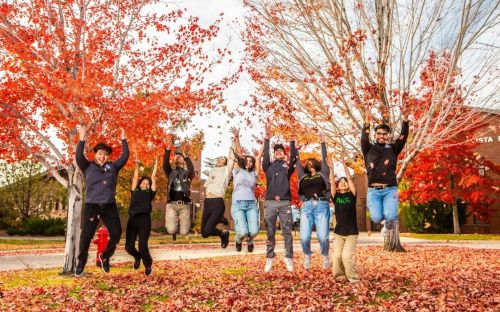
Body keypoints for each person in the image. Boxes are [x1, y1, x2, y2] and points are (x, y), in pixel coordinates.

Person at [75, 126, 129, 276]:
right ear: (95, 155)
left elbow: (125, 156)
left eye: (105, 155)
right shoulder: (88, 167)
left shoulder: (113, 167)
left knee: (117, 234)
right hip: (92, 206)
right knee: (86, 236)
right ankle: (81, 263)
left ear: (108, 157)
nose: (102, 156)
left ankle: (104, 256)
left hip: (109, 206)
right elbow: (79, 156)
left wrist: (124, 139)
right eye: (100, 153)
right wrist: (81, 138)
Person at [361, 107, 409, 252]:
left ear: (388, 135)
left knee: (391, 215)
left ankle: (387, 225)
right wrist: (367, 123)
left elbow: (403, 137)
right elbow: (364, 137)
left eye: (385, 134)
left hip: (390, 189)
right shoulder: (368, 148)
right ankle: (384, 223)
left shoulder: (393, 149)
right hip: (373, 191)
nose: (382, 136)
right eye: (379, 133)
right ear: (375, 135)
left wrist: (405, 121)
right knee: (375, 218)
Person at [262, 124, 297, 272]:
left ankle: (288, 258)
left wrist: (292, 142)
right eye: (276, 151)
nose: (278, 152)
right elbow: (265, 155)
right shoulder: (268, 166)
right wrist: (267, 139)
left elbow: (295, 159)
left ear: (284, 154)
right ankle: (270, 257)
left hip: (284, 202)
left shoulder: (287, 166)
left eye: (281, 151)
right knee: (270, 231)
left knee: (286, 230)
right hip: (270, 202)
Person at [295, 132, 331, 270]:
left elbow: (325, 157)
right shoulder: (302, 176)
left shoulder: (324, 173)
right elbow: (297, 163)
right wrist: (296, 149)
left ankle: (325, 256)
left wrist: (323, 143)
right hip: (307, 207)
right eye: (307, 163)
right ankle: (307, 255)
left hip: (321, 205)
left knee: (323, 236)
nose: (310, 164)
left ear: (317, 164)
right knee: (304, 237)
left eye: (312, 162)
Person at [230, 127, 264, 253]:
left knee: (254, 231)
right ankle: (238, 240)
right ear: (244, 162)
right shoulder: (237, 170)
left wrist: (266, 139)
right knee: (243, 231)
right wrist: (237, 137)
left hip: (251, 204)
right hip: (238, 204)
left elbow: (259, 156)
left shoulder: (254, 174)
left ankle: (250, 241)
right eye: (247, 161)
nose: (249, 163)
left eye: (251, 161)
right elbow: (239, 152)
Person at [125, 153, 158, 276]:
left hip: (144, 220)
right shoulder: (134, 191)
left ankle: (148, 264)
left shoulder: (150, 193)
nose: (145, 185)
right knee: (128, 247)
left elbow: (153, 177)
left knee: (142, 245)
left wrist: (156, 162)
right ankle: (137, 257)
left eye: (147, 184)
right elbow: (136, 175)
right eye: (143, 183)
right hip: (132, 220)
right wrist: (137, 163)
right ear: (139, 185)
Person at [201, 133, 236, 248]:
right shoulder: (213, 170)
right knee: (204, 233)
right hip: (207, 203)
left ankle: (223, 233)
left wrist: (234, 141)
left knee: (208, 229)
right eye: (219, 159)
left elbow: (231, 157)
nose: (220, 160)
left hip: (217, 203)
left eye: (223, 159)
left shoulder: (226, 171)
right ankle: (221, 227)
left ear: (226, 163)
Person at [329, 156, 359, 282]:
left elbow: (350, 179)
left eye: (344, 181)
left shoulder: (352, 195)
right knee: (336, 257)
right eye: (340, 181)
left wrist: (344, 165)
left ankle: (353, 278)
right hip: (339, 232)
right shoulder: (335, 197)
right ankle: (340, 276)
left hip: (351, 233)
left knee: (346, 257)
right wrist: (331, 168)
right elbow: (331, 181)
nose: (342, 182)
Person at [163, 140, 196, 237]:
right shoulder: (170, 172)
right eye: (176, 156)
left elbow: (191, 169)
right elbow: (165, 163)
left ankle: (179, 226)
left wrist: (185, 155)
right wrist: (168, 149)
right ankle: (172, 224)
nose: (178, 156)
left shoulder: (188, 173)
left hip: (184, 206)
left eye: (180, 156)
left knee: (184, 233)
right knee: (171, 230)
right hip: (171, 205)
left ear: (183, 161)